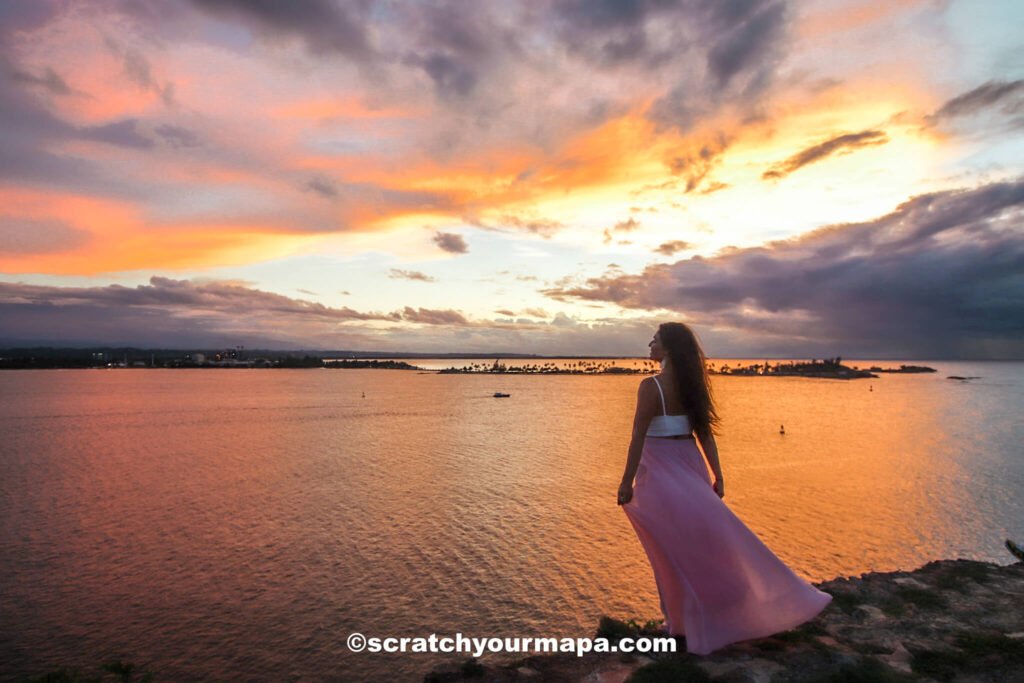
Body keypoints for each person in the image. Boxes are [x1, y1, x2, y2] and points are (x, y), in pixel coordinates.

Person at [617, 322, 833, 655]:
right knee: (704, 546)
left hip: (660, 474)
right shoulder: (692, 387)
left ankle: (683, 623)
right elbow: (704, 435)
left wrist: (625, 482)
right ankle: (693, 619)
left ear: (669, 348)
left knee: (670, 553)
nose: (650, 344)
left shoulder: (651, 386)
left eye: (655, 340)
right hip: (691, 467)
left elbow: (637, 437)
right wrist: (718, 475)